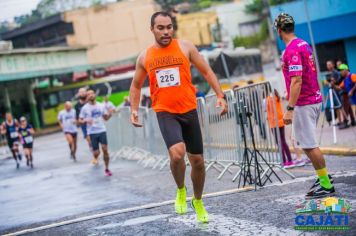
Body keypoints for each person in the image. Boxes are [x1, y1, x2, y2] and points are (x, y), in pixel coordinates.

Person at [129, 11, 228, 223]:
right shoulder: (145, 56)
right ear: (152, 29)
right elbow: (136, 85)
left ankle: (198, 200)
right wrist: (134, 110)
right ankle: (181, 189)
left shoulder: (185, 47)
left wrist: (220, 95)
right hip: (165, 111)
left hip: (189, 110)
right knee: (176, 154)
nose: (166, 32)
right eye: (161, 28)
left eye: (169, 27)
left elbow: (207, 72)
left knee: (198, 162)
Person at [274, 13, 335, 199]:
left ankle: (326, 184)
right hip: (314, 98)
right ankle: (322, 176)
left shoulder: (292, 49)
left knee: (309, 145)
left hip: (303, 103)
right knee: (309, 143)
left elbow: (297, 80)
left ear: (279, 31)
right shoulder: (304, 44)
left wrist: (290, 108)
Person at [80, 90, 113, 176]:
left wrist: (110, 114)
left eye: (92, 93)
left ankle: (107, 168)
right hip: (92, 132)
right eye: (89, 94)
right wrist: (85, 120)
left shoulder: (101, 105)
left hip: (102, 130)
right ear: (87, 97)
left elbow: (106, 118)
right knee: (96, 152)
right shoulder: (84, 108)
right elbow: (80, 120)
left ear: (95, 95)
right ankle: (95, 157)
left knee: (105, 149)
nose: (91, 95)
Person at [266, 89, 296, 168]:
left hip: (274, 123)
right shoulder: (277, 97)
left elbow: (265, 109)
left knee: (278, 143)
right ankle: (290, 160)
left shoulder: (268, 99)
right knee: (283, 141)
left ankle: (284, 161)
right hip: (280, 122)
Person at [324, 60, 346, 128]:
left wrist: (327, 83)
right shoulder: (329, 73)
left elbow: (332, 83)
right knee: (336, 108)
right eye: (327, 65)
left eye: (330, 64)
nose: (328, 66)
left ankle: (345, 120)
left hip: (337, 91)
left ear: (333, 65)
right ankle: (340, 121)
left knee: (340, 106)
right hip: (332, 92)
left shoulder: (335, 73)